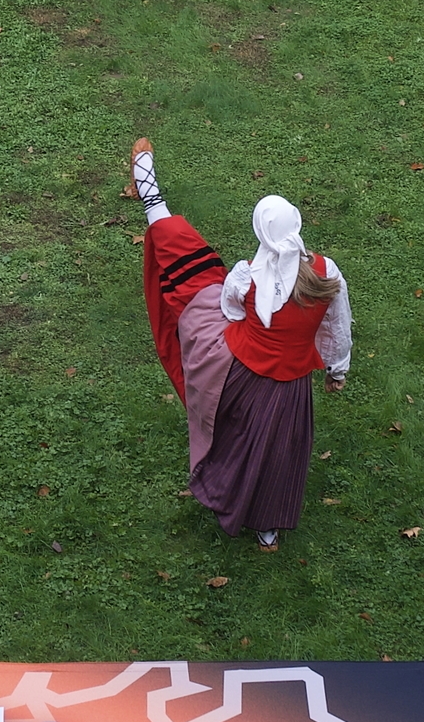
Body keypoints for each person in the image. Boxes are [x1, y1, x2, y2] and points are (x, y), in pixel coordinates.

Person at [126, 139, 351, 548]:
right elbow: (337, 325)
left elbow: (229, 312)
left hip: (239, 374)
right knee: (280, 451)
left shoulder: (246, 275)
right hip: (292, 385)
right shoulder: (326, 271)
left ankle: (149, 190)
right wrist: (337, 369)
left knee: (234, 434)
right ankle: (268, 531)